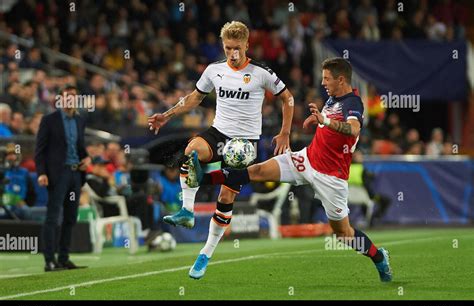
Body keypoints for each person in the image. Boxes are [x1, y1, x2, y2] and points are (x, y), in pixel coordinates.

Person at [185, 57, 393, 282]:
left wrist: (325, 121)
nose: (322, 83)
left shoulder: (353, 103)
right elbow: (330, 129)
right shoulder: (333, 98)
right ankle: (201, 178)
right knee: (257, 171)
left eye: (326, 79)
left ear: (341, 79)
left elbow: (352, 130)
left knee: (343, 234)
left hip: (331, 177)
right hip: (306, 159)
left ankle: (379, 258)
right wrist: (317, 122)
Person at [147, 21, 294, 265]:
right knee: (191, 150)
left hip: (245, 142)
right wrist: (167, 115)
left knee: (226, 196)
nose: (233, 54)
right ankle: (187, 211)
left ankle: (205, 253)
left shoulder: (261, 72)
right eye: (228, 48)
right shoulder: (214, 70)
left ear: (247, 45)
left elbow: (287, 99)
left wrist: (285, 132)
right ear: (223, 47)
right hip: (219, 133)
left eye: (237, 48)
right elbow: (194, 98)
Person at [35, 85, 91, 272]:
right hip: (58, 174)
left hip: (75, 174)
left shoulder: (80, 120)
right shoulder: (49, 120)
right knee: (52, 217)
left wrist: (87, 158)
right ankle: (49, 261)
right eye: (67, 96)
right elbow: (40, 150)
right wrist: (41, 173)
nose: (70, 100)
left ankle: (64, 258)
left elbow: (80, 147)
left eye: (74, 96)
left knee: (70, 218)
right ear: (60, 99)